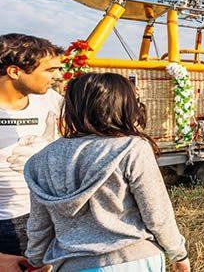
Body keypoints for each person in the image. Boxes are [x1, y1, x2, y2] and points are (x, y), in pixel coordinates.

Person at [24, 73, 190, 271]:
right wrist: (178, 254)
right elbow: (157, 213)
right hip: (134, 259)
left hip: (72, 264)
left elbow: (39, 225)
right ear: (123, 106)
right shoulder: (132, 148)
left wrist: (35, 260)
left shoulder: (39, 161)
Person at [0, 34, 63, 261]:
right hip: (5, 222)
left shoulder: (51, 101)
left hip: (44, 215)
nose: (57, 77)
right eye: (49, 70)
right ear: (14, 71)